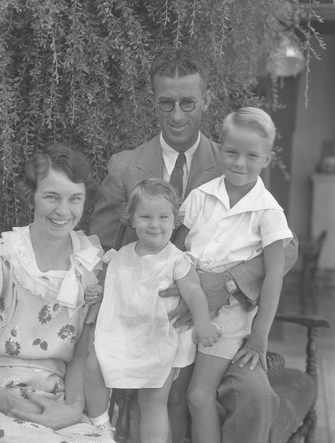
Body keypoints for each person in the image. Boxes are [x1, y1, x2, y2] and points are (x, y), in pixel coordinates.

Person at [89, 46, 298, 443]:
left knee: (254, 397)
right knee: (148, 395)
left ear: (207, 99)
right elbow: (101, 247)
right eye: (166, 103)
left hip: (223, 321)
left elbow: (286, 249)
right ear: (153, 102)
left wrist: (228, 283)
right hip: (149, 317)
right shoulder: (125, 166)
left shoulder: (235, 159)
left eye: (188, 102)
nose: (177, 115)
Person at [174, 107, 293, 443]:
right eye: (231, 152)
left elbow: (274, 275)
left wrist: (260, 334)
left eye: (251, 156)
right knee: (175, 393)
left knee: (199, 395)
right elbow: (174, 250)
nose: (239, 163)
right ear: (220, 149)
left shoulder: (268, 212)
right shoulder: (201, 196)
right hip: (185, 302)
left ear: (267, 159)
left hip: (228, 315)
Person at [85, 178, 220, 443]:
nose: (154, 224)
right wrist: (100, 293)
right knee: (94, 365)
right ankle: (100, 426)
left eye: (163, 217)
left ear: (174, 220)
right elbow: (118, 287)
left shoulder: (176, 260)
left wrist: (202, 322)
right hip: (125, 332)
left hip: (159, 337)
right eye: (145, 216)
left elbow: (193, 291)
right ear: (132, 219)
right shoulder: (121, 255)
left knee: (153, 399)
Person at [0, 144, 115, 443]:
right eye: (52, 196)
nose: (64, 211)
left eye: (75, 199)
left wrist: (73, 407)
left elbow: (83, 350)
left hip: (58, 396)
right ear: (31, 197)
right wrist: (11, 403)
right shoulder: (6, 258)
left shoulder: (91, 263)